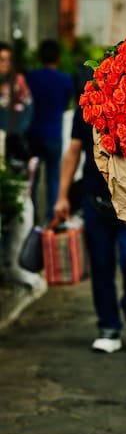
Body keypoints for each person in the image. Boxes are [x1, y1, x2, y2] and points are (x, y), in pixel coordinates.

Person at [53, 104, 126, 353]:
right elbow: (73, 152)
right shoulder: (87, 109)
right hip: (96, 202)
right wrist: (62, 196)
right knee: (101, 264)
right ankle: (108, 326)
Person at [0, 41, 42, 290]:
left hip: (15, 154)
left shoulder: (19, 85)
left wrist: (13, 132)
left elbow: (27, 113)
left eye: (6, 59)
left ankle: (16, 265)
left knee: (21, 211)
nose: (3, 64)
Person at [26, 39, 74, 223]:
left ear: (39, 57)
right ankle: (51, 219)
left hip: (33, 133)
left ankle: (33, 219)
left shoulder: (31, 77)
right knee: (54, 177)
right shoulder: (65, 80)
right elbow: (65, 103)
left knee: (33, 178)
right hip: (54, 133)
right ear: (58, 58)